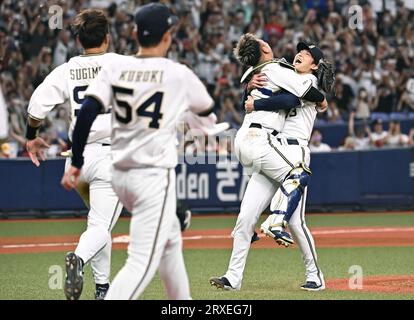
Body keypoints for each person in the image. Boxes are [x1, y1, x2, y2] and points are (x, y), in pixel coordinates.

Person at [61, 3, 214, 300]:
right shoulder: (177, 73)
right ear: (168, 36)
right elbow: (206, 115)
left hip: (120, 174)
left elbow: (87, 112)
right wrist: (197, 127)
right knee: (141, 263)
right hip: (152, 178)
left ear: (134, 33)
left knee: (170, 243)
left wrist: (77, 162)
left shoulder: (116, 67)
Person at [210, 35, 330, 292]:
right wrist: (250, 87)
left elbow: (294, 99)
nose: (300, 55)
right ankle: (233, 277)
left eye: (307, 54)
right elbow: (267, 83)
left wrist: (321, 99)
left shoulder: (306, 80)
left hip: (294, 151)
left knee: (296, 222)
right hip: (271, 147)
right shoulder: (287, 74)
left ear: (314, 66)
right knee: (245, 217)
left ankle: (314, 274)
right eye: (299, 52)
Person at [25, 9, 123, 300]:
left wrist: (31, 138)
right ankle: (78, 259)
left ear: (79, 39)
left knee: (99, 223)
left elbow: (36, 107)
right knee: (100, 226)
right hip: (110, 157)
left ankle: (102, 290)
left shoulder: (67, 69)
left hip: (78, 159)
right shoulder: (121, 64)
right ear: (108, 37)